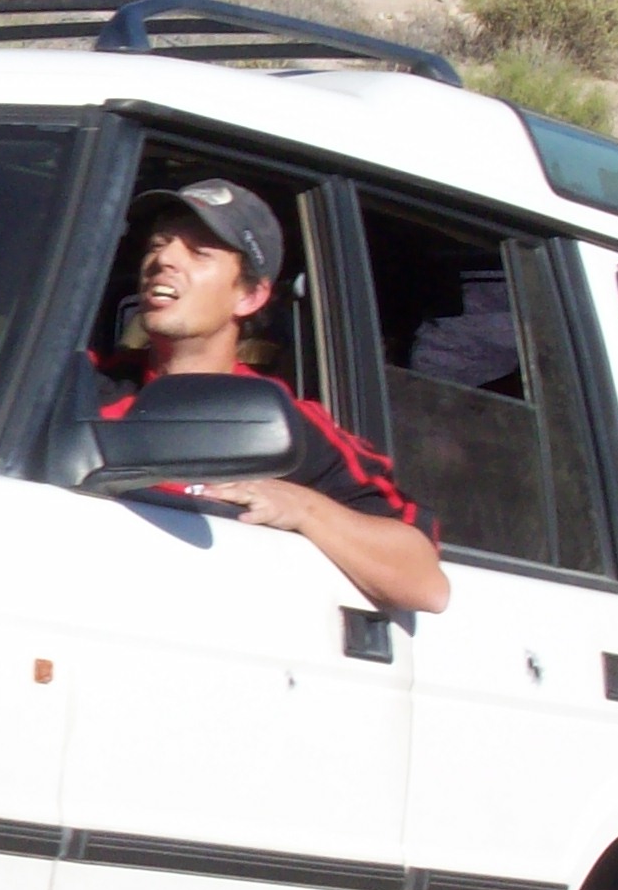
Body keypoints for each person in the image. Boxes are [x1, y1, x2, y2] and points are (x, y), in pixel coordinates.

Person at [96, 180, 452, 614]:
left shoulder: (288, 427)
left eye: (199, 252)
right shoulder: (83, 386)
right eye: (158, 244)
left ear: (250, 296)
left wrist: (302, 507)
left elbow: (425, 585)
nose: (164, 259)